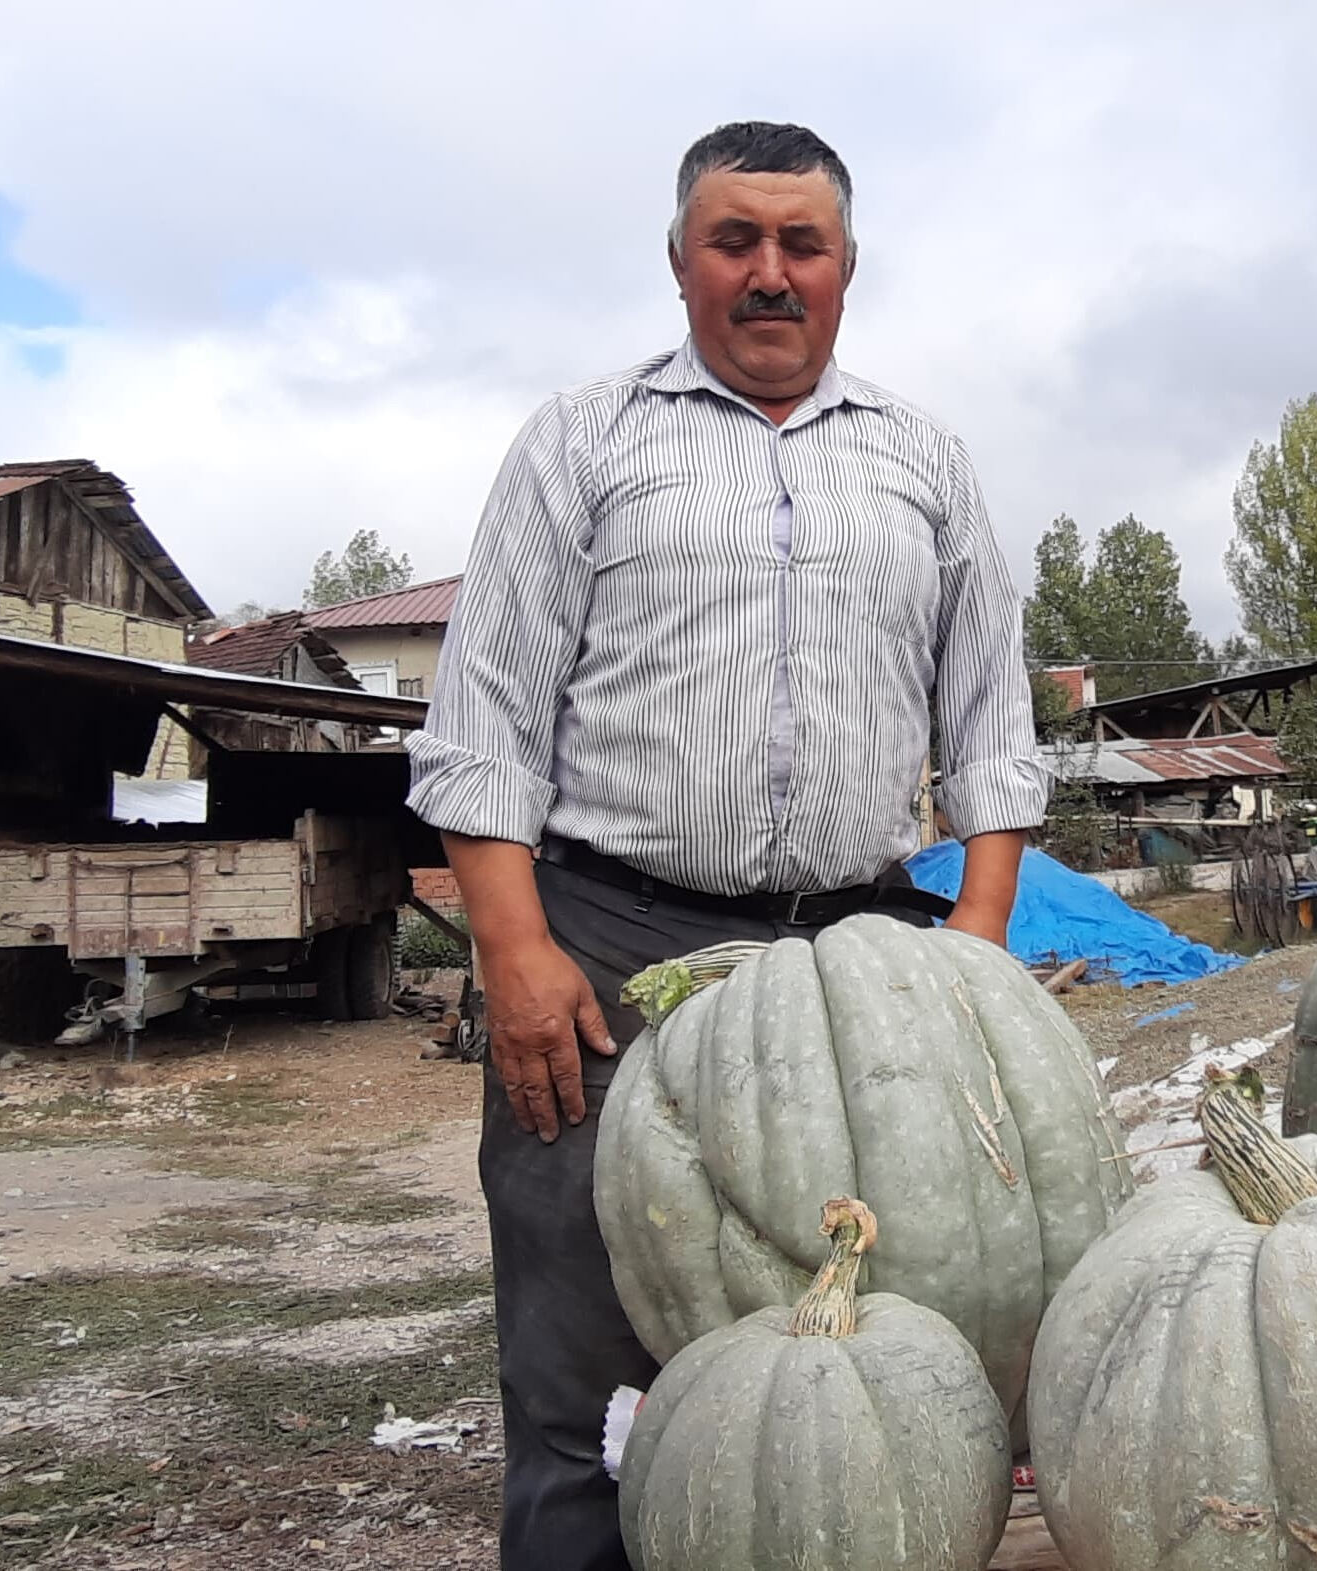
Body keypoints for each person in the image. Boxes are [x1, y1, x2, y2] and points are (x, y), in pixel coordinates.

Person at [405, 119, 1048, 1571]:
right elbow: (483, 720)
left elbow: (990, 724)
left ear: (846, 267)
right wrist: (515, 950)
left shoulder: (924, 461)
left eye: (800, 244)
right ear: (681, 260)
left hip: (867, 961)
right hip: (608, 952)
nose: (769, 272)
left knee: (879, 1339)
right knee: (588, 1371)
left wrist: (979, 940)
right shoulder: (583, 440)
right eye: (734, 240)